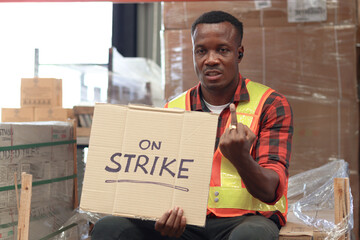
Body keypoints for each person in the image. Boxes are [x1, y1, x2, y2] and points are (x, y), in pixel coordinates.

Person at [91, 10, 293, 240]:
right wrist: (162, 213)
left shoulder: (270, 105)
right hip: (188, 222)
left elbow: (269, 192)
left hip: (246, 220)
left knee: (251, 235)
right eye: (201, 51)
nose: (211, 59)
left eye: (223, 50)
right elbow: (159, 183)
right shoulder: (174, 108)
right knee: (110, 227)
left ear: (239, 53)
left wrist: (240, 158)